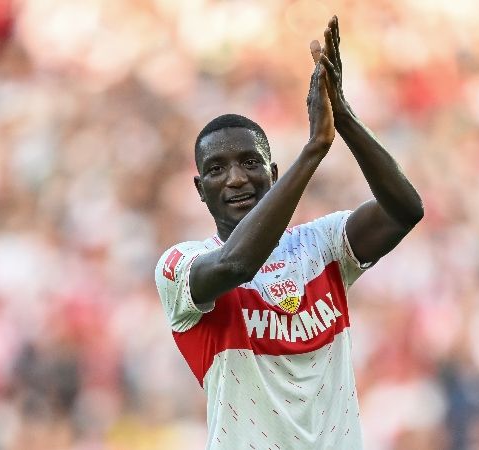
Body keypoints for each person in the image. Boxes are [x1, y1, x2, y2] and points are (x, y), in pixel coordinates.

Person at [155, 16, 423, 449]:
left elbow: (405, 210)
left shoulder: (322, 244)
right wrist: (315, 148)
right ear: (199, 190)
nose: (237, 178)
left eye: (250, 162)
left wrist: (344, 118)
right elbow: (237, 264)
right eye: (216, 169)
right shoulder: (179, 265)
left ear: (273, 173)